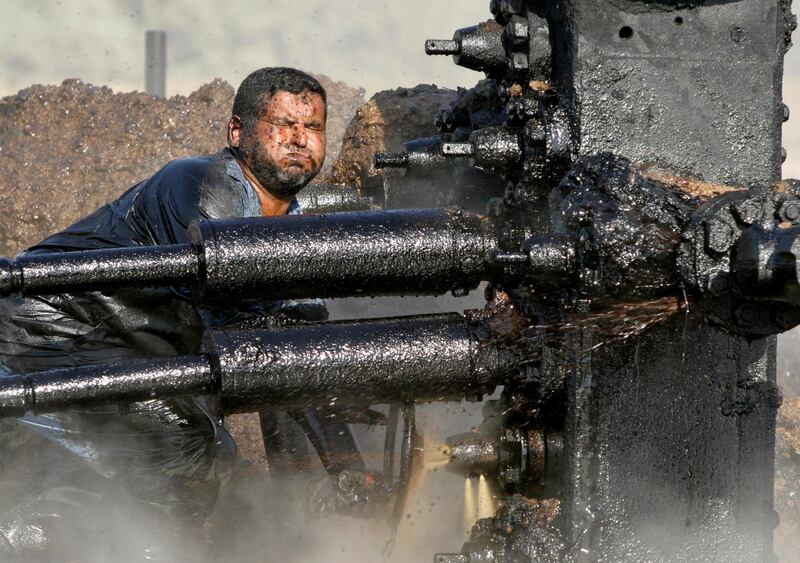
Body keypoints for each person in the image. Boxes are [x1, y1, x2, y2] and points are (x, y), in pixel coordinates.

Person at [0, 67, 364, 562]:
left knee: (196, 454)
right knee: (187, 448)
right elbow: (256, 336)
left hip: (116, 350)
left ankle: (60, 537)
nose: (300, 139)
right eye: (282, 123)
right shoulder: (201, 185)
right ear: (237, 132)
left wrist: (346, 471)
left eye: (314, 127)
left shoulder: (293, 229)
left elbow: (299, 364)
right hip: (48, 337)